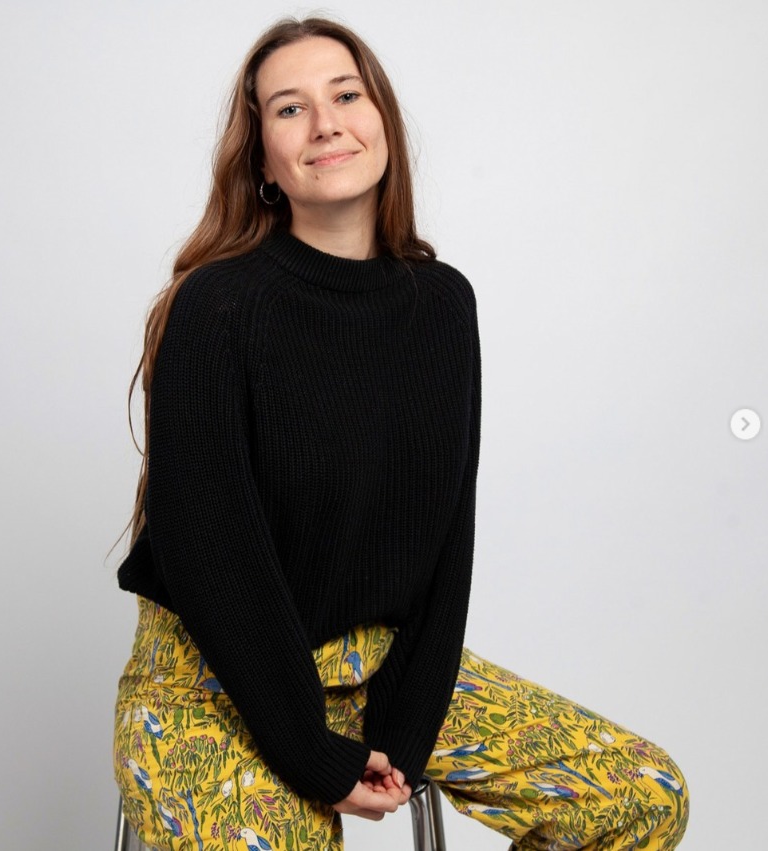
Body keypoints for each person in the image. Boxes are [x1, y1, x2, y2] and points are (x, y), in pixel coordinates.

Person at [112, 16, 690, 851]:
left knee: (641, 794)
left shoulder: (443, 305)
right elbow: (213, 557)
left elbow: (448, 539)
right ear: (264, 160)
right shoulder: (218, 307)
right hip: (209, 686)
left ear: (381, 117)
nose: (326, 123)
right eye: (290, 109)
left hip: (373, 669)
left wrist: (406, 731)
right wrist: (312, 753)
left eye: (346, 95)